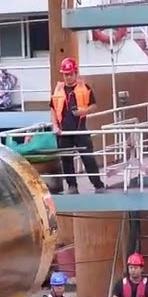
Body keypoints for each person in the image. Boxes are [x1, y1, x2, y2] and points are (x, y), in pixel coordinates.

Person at [49, 57, 107, 195]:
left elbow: (94, 106)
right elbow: (52, 108)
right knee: (66, 160)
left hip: (80, 130)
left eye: (70, 74)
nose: (68, 77)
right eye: (65, 74)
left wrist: (82, 111)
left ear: (76, 73)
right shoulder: (58, 90)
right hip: (64, 132)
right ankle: (72, 186)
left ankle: (98, 185)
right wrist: (55, 126)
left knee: (88, 158)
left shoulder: (84, 88)